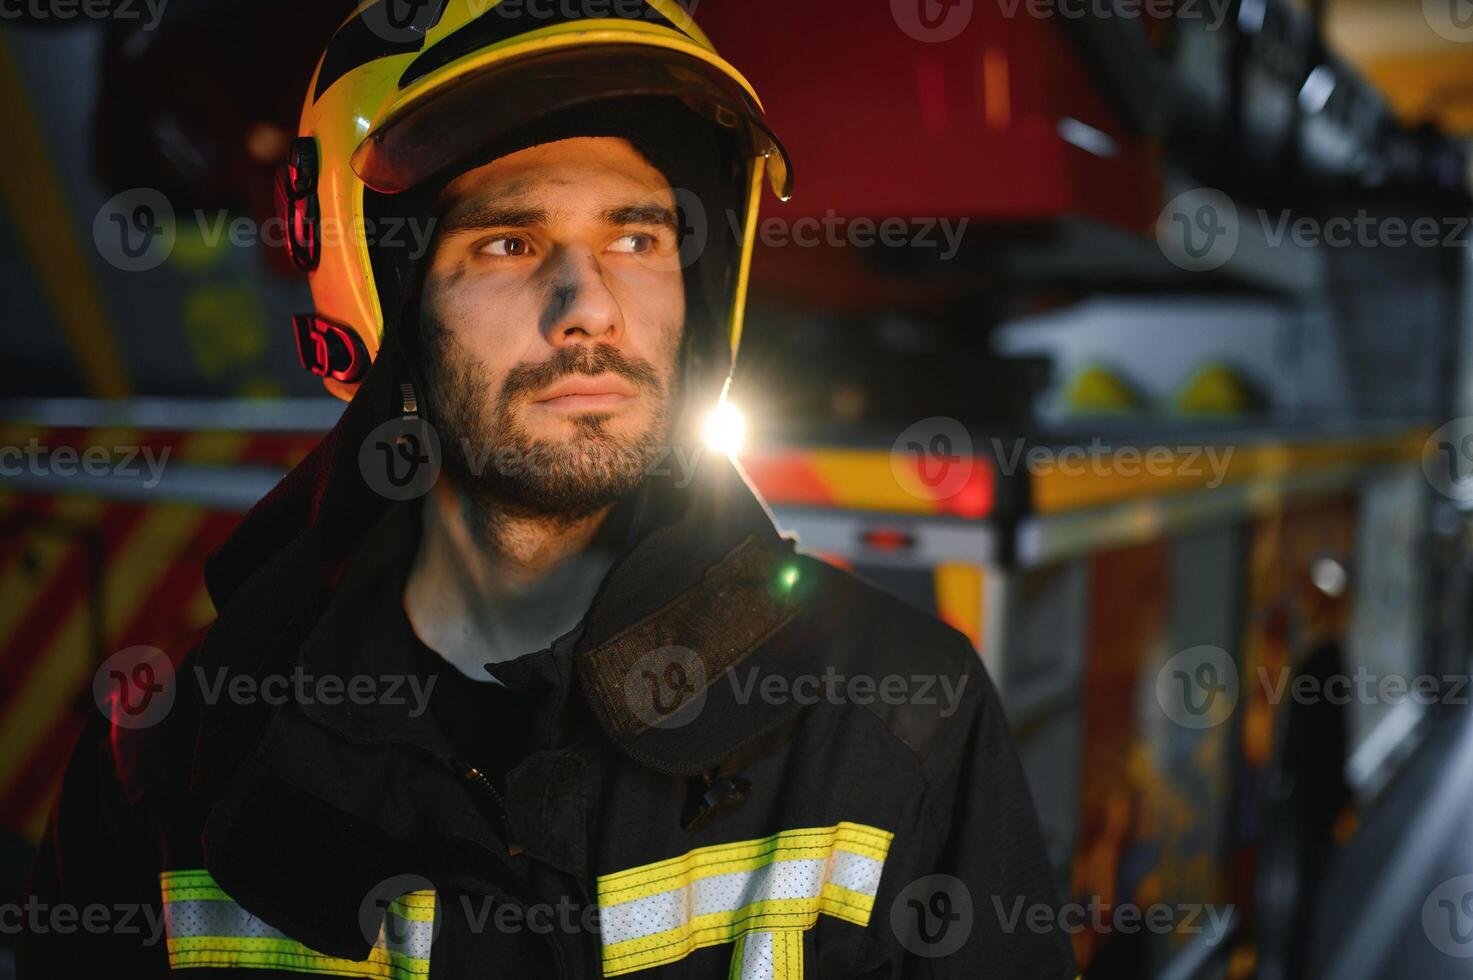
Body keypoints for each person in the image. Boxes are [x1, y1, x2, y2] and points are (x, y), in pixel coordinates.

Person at [20, 2, 1077, 977]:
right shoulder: (168, 766)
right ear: (382, 298)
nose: (588, 308)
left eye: (635, 237)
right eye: (509, 241)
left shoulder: (900, 717)